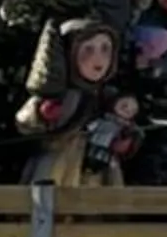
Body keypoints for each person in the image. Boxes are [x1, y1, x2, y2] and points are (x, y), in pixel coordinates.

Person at [16, 14, 142, 188]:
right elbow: (24, 121)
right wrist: (41, 114)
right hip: (59, 161)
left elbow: (128, 124)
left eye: (106, 49)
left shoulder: (110, 97)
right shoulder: (59, 95)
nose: (99, 58)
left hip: (99, 164)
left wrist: (127, 141)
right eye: (88, 49)